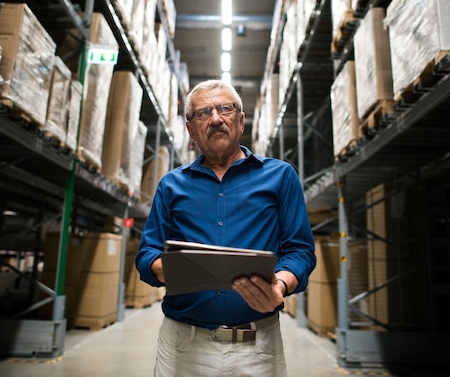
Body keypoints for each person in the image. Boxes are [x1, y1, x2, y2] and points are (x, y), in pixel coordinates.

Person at [135, 79, 316, 377]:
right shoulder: (171, 185)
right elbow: (146, 252)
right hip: (183, 346)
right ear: (191, 130)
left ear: (241, 120)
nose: (216, 119)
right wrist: (163, 268)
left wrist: (279, 285)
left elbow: (300, 251)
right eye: (203, 113)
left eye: (225, 108)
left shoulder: (281, 177)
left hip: (258, 347)